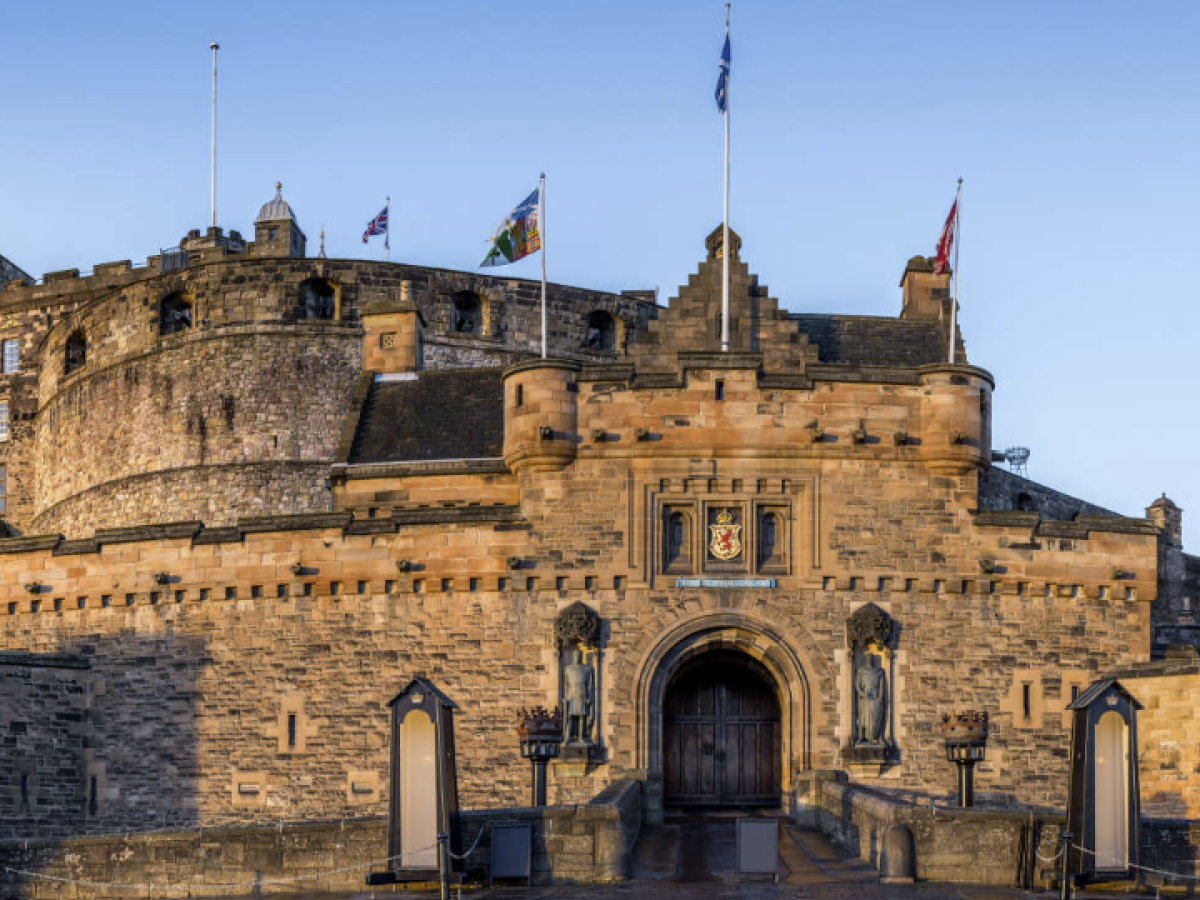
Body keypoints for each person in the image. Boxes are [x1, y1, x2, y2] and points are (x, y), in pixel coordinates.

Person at [563, 647, 594, 742]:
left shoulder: (586, 668)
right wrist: (565, 697)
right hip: (571, 694)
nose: (578, 657)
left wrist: (589, 696)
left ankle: (581, 737)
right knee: (570, 716)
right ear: (573, 656)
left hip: (582, 693)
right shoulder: (568, 668)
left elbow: (589, 684)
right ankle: (568, 736)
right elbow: (565, 684)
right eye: (576, 655)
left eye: (579, 655)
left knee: (582, 716)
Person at [855, 653, 887, 744]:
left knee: (876, 718)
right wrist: (863, 693)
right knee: (863, 718)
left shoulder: (880, 672)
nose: (870, 661)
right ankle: (861, 737)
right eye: (868, 659)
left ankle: (879, 736)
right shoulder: (861, 671)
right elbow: (857, 685)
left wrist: (880, 698)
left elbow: (881, 686)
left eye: (872, 659)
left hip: (875, 698)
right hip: (865, 698)